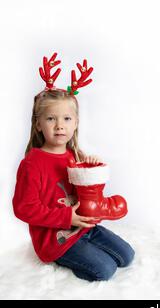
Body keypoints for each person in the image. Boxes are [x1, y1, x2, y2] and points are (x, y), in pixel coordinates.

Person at [12, 53, 135, 281]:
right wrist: (66, 217)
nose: (59, 126)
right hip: (56, 238)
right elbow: (23, 209)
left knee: (127, 256)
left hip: (85, 228)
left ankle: (87, 249)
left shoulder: (73, 156)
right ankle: (63, 260)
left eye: (67, 119)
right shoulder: (32, 163)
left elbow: (86, 193)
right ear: (38, 124)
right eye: (51, 119)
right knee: (105, 270)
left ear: (76, 122)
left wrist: (91, 168)